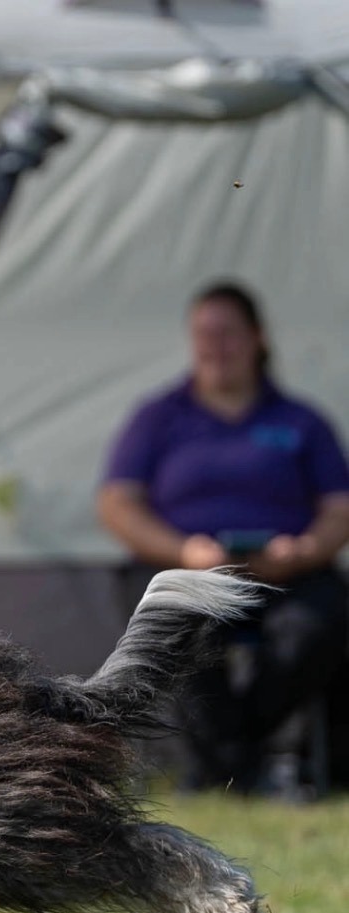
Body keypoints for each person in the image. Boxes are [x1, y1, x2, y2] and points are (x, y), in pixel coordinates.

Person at [97, 281, 349, 796]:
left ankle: (229, 761)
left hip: (286, 576)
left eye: (227, 333)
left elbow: (339, 509)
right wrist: (184, 551)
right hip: (183, 571)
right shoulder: (157, 418)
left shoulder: (301, 421)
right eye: (203, 334)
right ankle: (239, 767)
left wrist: (303, 550)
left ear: (257, 338)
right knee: (181, 634)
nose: (215, 346)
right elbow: (117, 504)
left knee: (317, 628)